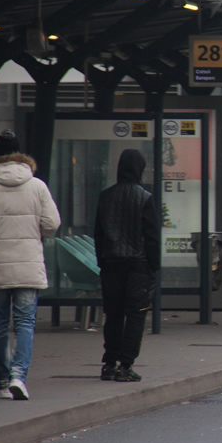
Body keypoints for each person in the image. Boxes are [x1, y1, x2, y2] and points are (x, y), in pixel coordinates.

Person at [0, 129, 61, 401]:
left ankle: (3, 383)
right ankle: (20, 376)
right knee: (25, 323)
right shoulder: (38, 186)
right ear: (21, 156)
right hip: (29, 265)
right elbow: (52, 225)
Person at [94, 149, 160, 383]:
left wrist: (101, 262)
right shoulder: (145, 197)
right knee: (135, 315)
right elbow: (151, 236)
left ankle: (109, 363)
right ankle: (126, 365)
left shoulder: (105, 196)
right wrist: (154, 266)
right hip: (138, 266)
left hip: (111, 264)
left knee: (113, 314)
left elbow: (98, 234)